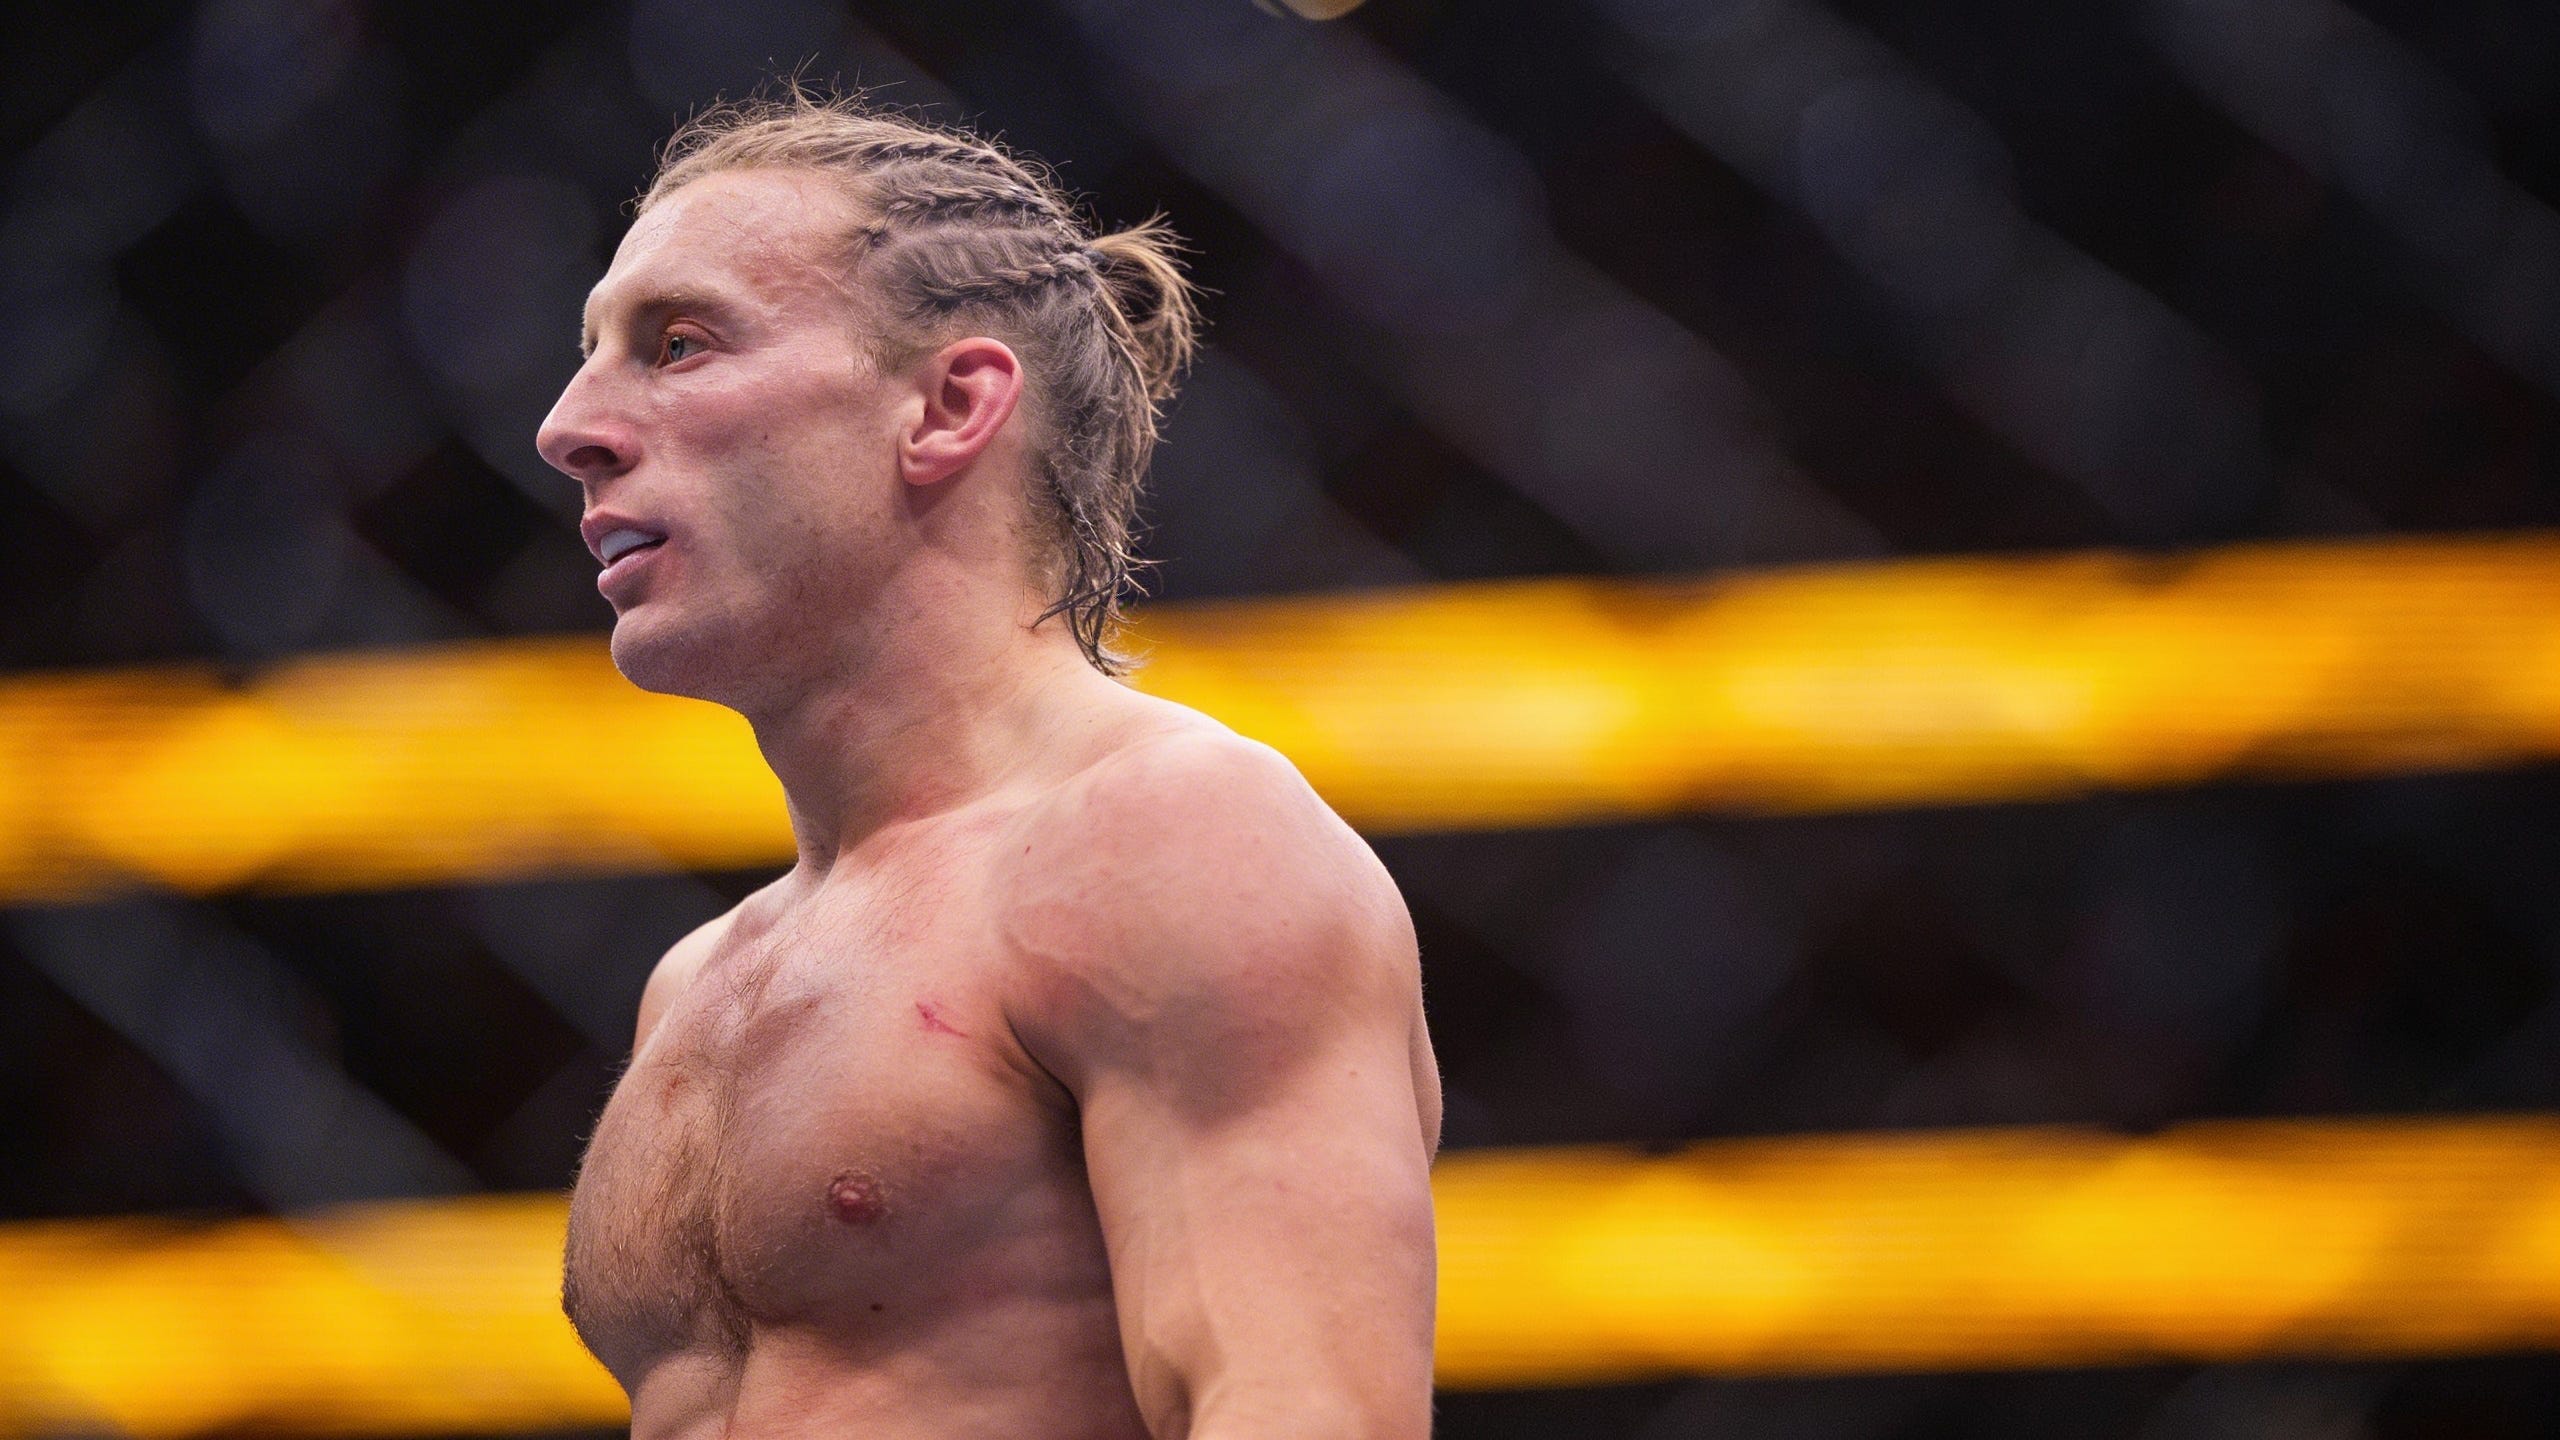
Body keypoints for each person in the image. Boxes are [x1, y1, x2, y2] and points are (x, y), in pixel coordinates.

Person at [534, 92, 1441, 1440]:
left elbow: (1307, 1411)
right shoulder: (698, 980)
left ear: (949, 405)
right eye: (590, 353)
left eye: (678, 344)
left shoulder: (1171, 838)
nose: (568, 426)